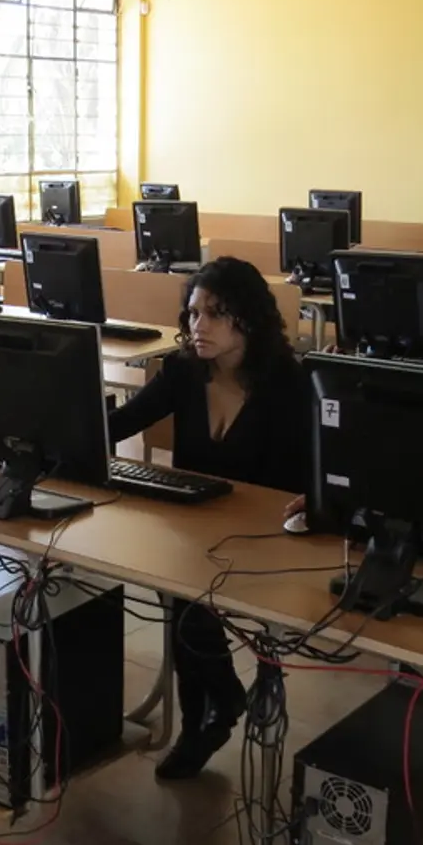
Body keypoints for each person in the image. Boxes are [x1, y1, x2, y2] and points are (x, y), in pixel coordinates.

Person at [107, 256, 312, 779]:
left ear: (249, 319)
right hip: (197, 529)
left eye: (216, 314)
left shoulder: (287, 383)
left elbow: (313, 476)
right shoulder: (182, 371)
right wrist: (66, 428)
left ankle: (213, 712)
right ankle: (208, 715)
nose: (199, 326)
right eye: (194, 313)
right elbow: (124, 421)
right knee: (179, 593)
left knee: (186, 600)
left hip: (267, 537)